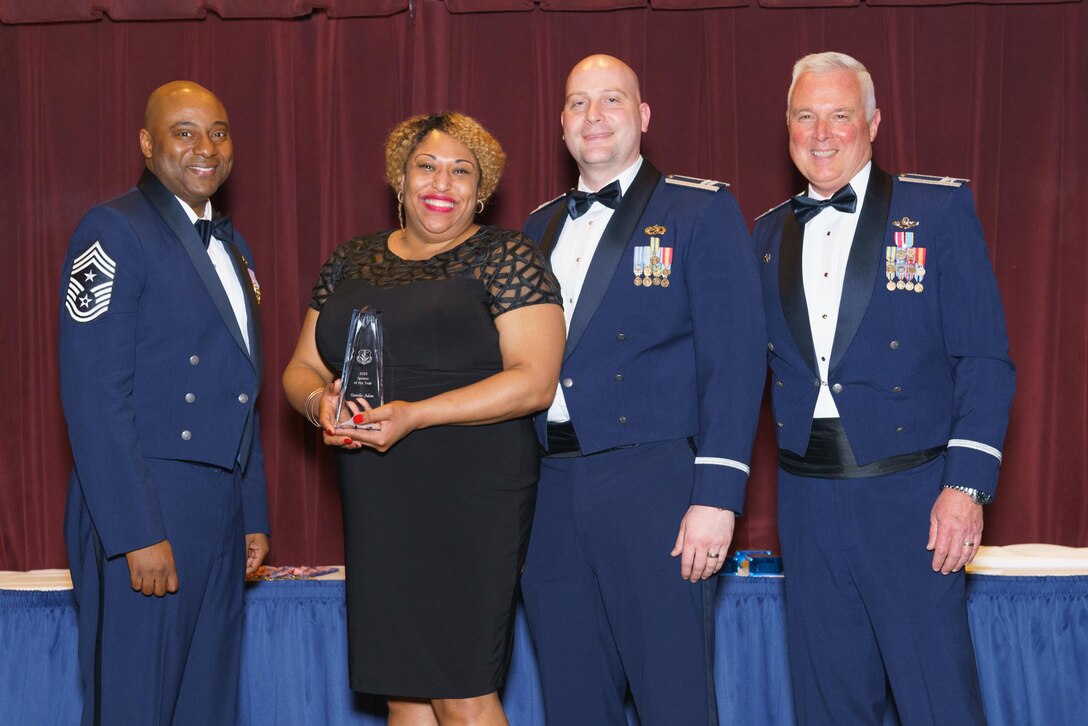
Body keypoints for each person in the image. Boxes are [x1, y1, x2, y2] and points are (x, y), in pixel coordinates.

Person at [752, 51, 1015, 724]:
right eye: (805, 116)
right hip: (805, 500)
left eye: (839, 115)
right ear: (786, 126)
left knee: (938, 702)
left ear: (872, 122)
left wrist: (966, 487)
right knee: (829, 703)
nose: (821, 133)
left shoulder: (935, 210)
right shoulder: (762, 235)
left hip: (912, 499)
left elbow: (985, 357)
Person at [282, 112, 564, 726]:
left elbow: (534, 382)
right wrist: (318, 404)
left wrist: (417, 415)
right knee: (403, 690)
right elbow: (301, 366)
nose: (444, 181)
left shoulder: (507, 255)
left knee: (463, 692)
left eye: (462, 171)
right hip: (378, 492)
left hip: (473, 492)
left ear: (481, 188)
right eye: (427, 166)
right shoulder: (350, 259)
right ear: (399, 179)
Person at [520, 54, 766, 725]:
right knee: (572, 700)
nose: (593, 117)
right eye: (578, 103)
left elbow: (736, 358)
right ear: (561, 124)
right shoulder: (534, 229)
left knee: (674, 698)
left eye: (611, 100)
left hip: (653, 482)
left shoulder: (698, 208)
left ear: (643, 116)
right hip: (548, 491)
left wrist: (716, 495)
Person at [59, 80, 270, 725]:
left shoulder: (235, 247)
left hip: (218, 508)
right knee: (135, 707)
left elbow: (242, 390)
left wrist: (251, 512)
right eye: (184, 132)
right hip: (146, 503)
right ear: (148, 144)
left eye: (219, 131)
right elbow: (94, 395)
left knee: (207, 705)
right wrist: (136, 531)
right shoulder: (112, 229)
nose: (206, 147)